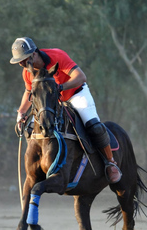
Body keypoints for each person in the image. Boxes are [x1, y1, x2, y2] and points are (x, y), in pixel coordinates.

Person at [10, 37, 122, 184]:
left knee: (93, 125)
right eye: (19, 61)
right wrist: (21, 113)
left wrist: (61, 87)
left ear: (34, 54)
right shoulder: (27, 72)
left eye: (23, 60)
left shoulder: (57, 56)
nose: (21, 64)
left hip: (76, 94)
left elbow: (81, 77)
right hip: (54, 102)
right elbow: (28, 92)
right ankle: (40, 165)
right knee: (31, 128)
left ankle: (110, 162)